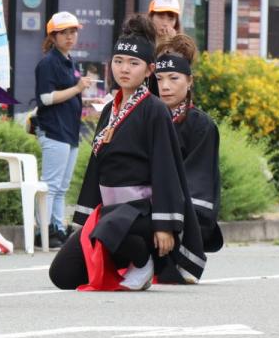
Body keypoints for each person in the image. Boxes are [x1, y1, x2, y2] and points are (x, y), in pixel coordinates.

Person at [48, 15, 206, 292]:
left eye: (133, 63)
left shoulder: (154, 109)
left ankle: (143, 258)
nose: (124, 69)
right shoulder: (110, 110)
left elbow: (166, 168)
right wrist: (84, 222)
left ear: (148, 71)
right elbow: (96, 168)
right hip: (111, 211)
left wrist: (164, 225)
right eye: (119, 61)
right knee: (62, 274)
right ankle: (127, 251)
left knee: (112, 226)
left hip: (142, 212)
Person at [154, 34, 224, 267]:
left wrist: (165, 218)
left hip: (181, 215)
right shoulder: (146, 118)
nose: (165, 86)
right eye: (159, 78)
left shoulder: (201, 125)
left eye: (174, 78)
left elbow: (198, 182)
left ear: (189, 81)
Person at [34, 11, 97, 249]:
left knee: (61, 187)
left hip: (68, 130)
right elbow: (46, 98)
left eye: (73, 31)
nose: (70, 36)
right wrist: (78, 88)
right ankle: (44, 231)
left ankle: (58, 228)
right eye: (64, 32)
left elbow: (67, 94)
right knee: (51, 186)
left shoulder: (69, 60)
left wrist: (82, 94)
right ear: (53, 35)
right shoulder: (49, 62)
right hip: (54, 129)